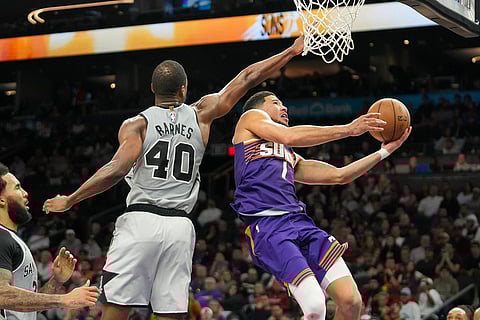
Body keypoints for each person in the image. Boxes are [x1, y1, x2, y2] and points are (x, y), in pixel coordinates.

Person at [42, 37, 305, 320]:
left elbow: (116, 169)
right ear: (184, 88)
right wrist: (290, 51)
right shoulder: (201, 114)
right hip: (179, 226)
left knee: (115, 309)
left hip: (139, 222)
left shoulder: (136, 124)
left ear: (153, 88)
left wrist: (71, 199)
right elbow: (248, 77)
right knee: (172, 314)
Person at [230, 91, 411, 320]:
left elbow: (339, 176)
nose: (284, 107)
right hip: (268, 227)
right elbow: (290, 135)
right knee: (316, 307)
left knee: (351, 301)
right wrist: (350, 129)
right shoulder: (249, 119)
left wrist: (385, 151)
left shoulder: (289, 155)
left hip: (299, 223)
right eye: (276, 103)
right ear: (259, 108)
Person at [0, 163, 99, 320]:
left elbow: (27, 309)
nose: (25, 193)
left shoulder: (11, 239)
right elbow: (1, 295)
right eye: (18, 188)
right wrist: (64, 299)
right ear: (2, 201)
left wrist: (56, 281)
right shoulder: (2, 238)